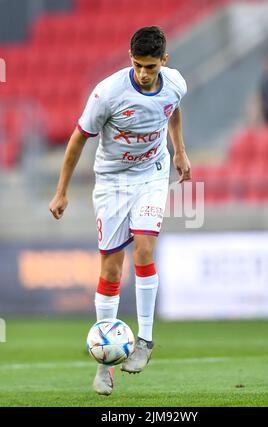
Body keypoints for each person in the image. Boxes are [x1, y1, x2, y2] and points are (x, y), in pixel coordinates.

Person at [49, 26, 191, 396]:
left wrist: (180, 150)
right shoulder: (108, 93)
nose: (144, 73)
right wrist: (61, 191)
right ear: (130, 59)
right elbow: (78, 139)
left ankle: (144, 340)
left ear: (164, 61)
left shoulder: (175, 83)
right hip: (111, 182)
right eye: (138, 65)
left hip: (151, 175)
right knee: (111, 268)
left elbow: (172, 111)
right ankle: (105, 363)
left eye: (151, 66)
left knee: (144, 248)